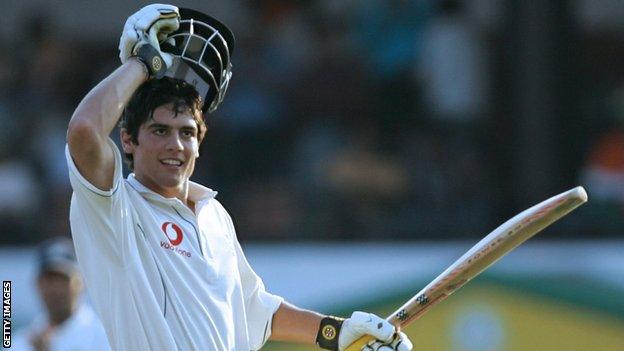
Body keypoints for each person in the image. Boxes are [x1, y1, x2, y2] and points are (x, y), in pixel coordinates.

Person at [65, 4, 413, 351]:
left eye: (186, 133)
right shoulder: (113, 209)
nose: (175, 145)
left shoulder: (213, 215)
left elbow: (256, 311)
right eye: (159, 130)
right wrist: (141, 64)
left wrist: (337, 333)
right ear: (128, 139)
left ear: (199, 142)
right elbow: (84, 130)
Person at [11, 237, 110, 351]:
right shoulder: (22, 341)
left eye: (63, 280)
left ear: (82, 282)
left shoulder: (103, 337)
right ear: (37, 284)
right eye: (49, 280)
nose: (55, 289)